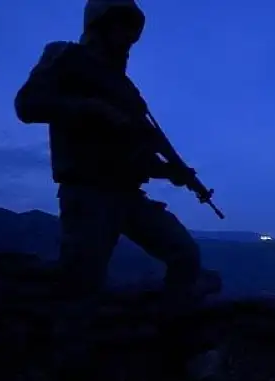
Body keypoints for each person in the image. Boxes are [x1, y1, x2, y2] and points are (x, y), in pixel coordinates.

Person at [14, 0, 219, 305]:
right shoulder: (65, 56)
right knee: (81, 287)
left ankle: (168, 325)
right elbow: (27, 105)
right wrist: (90, 109)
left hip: (128, 195)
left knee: (185, 254)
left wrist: (169, 171)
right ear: (100, 26)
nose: (128, 36)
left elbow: (137, 146)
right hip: (88, 193)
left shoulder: (125, 88)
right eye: (121, 25)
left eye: (131, 28)